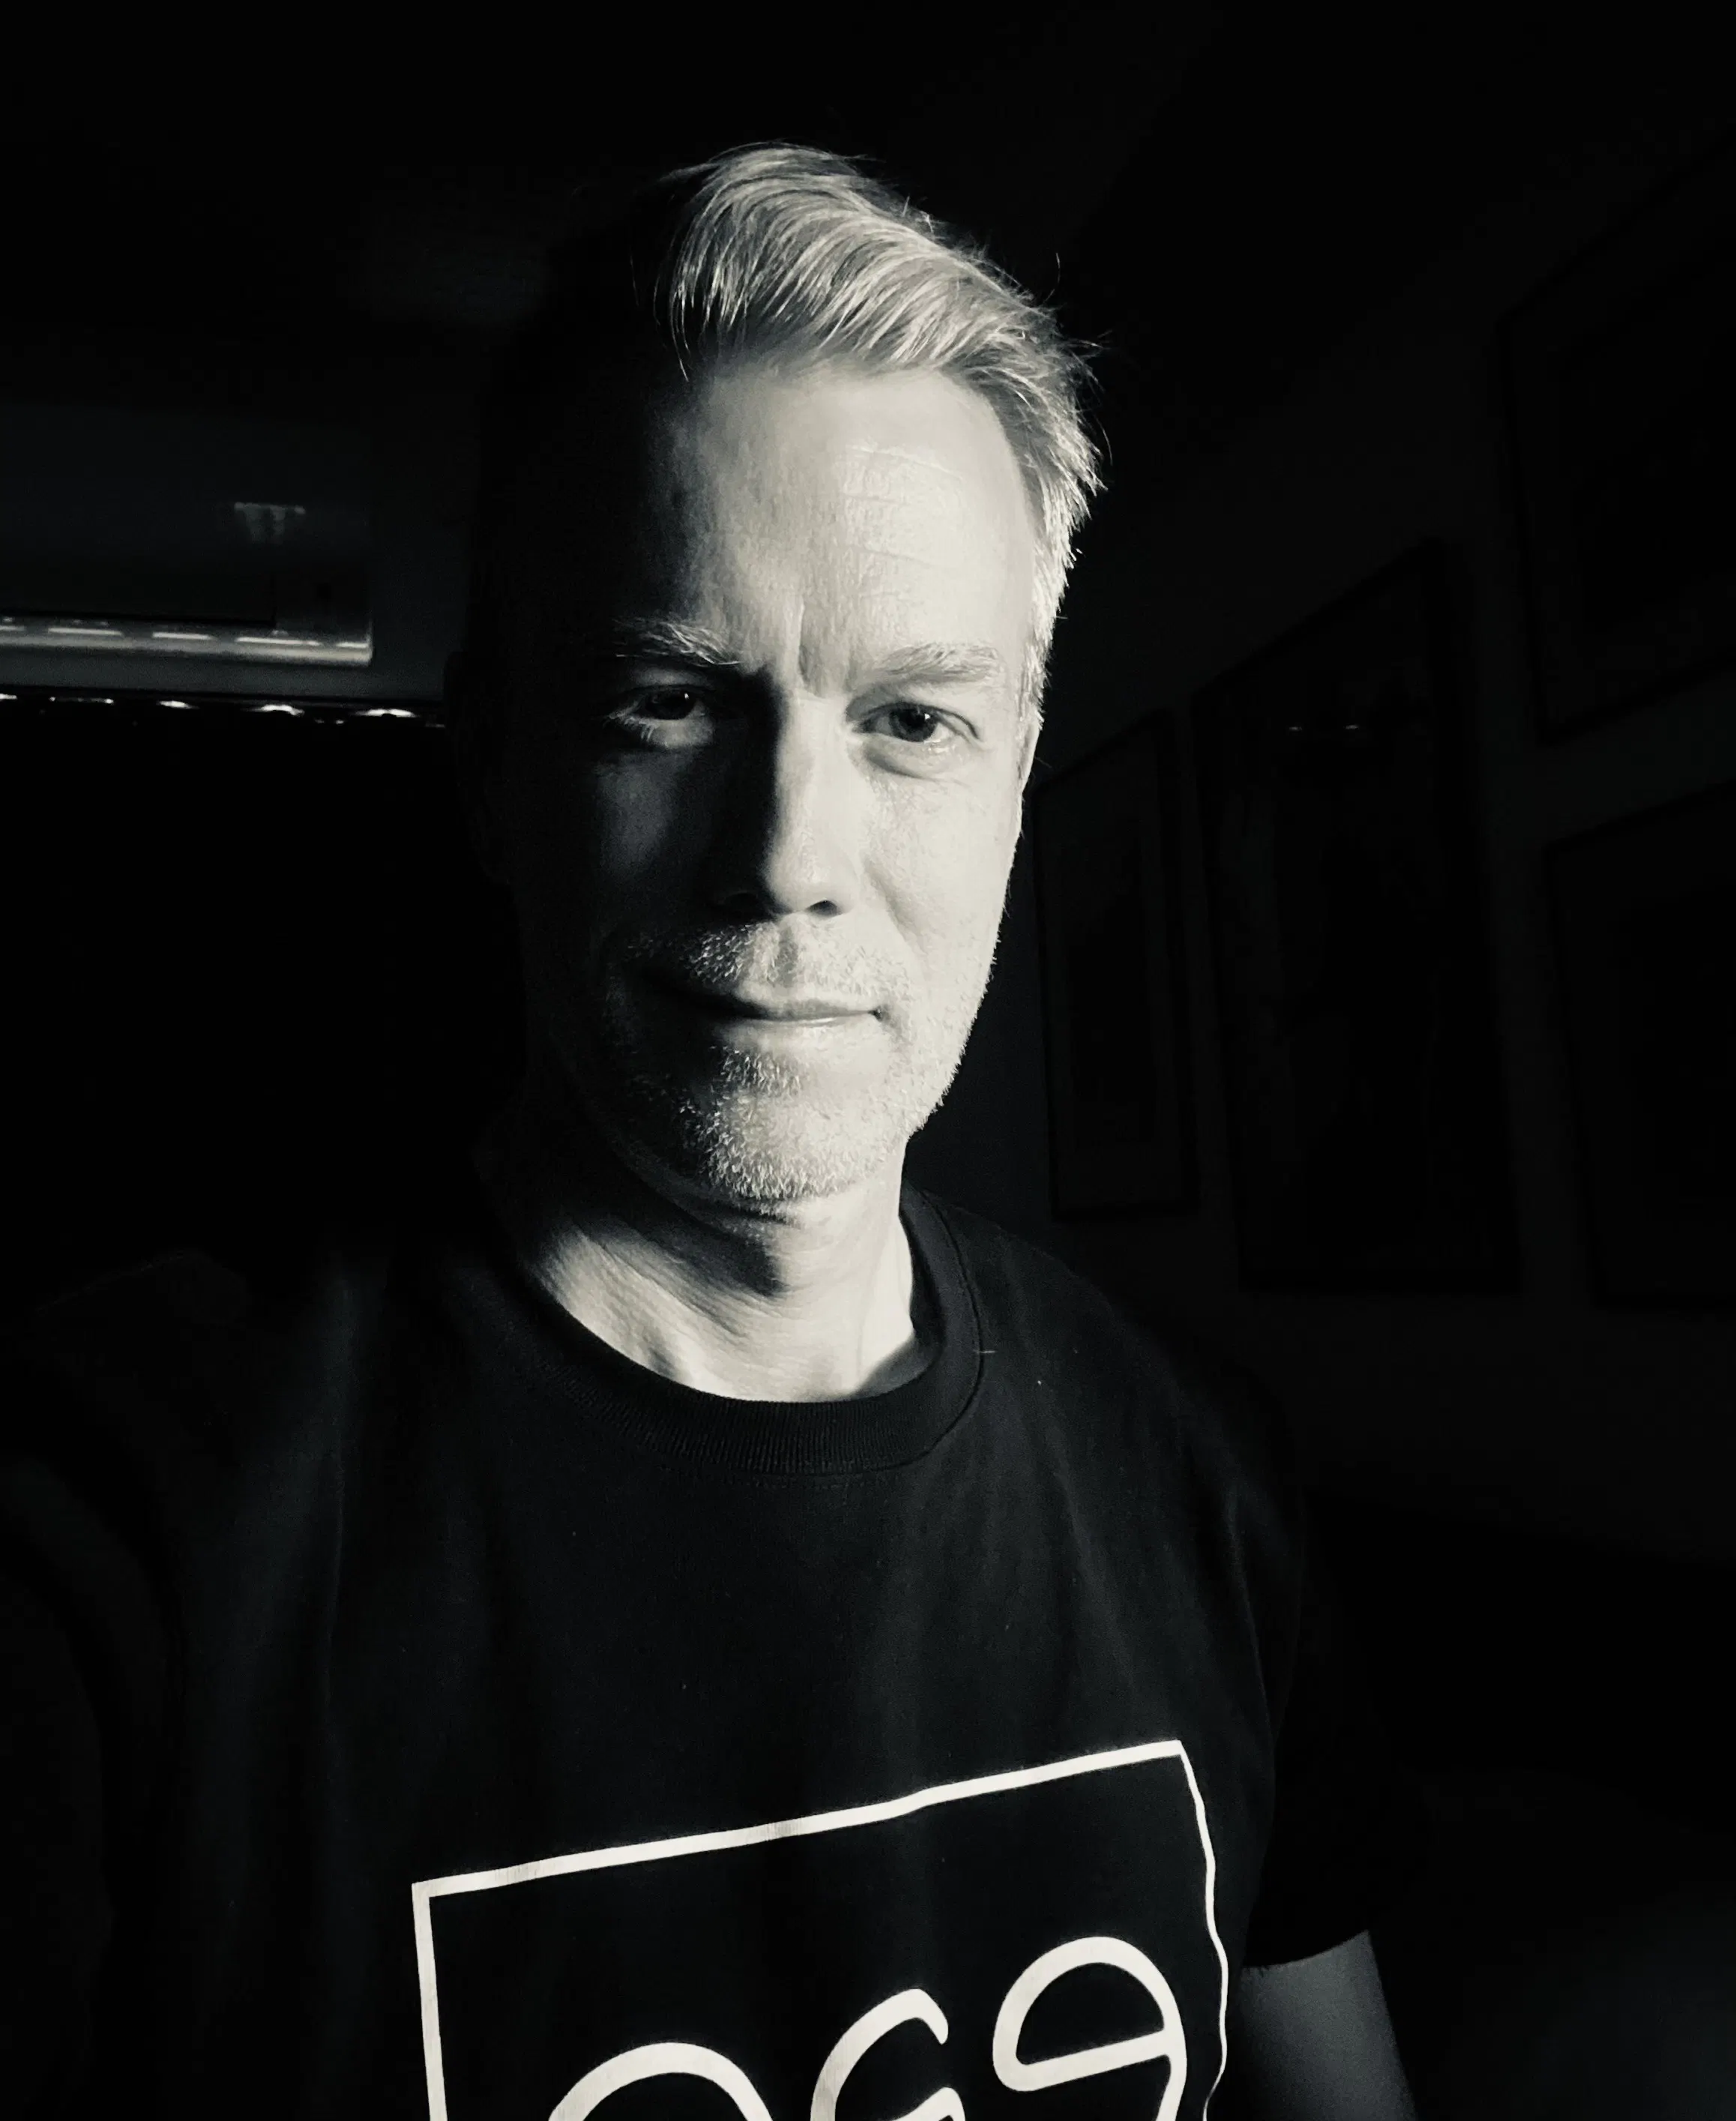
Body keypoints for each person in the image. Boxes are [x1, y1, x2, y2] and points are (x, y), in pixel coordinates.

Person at [1, 145, 1423, 2117]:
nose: (786, 857)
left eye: (913, 721)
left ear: (1017, 775)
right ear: (490, 766)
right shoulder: (98, 1529)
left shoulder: (1198, 1479)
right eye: (667, 700)